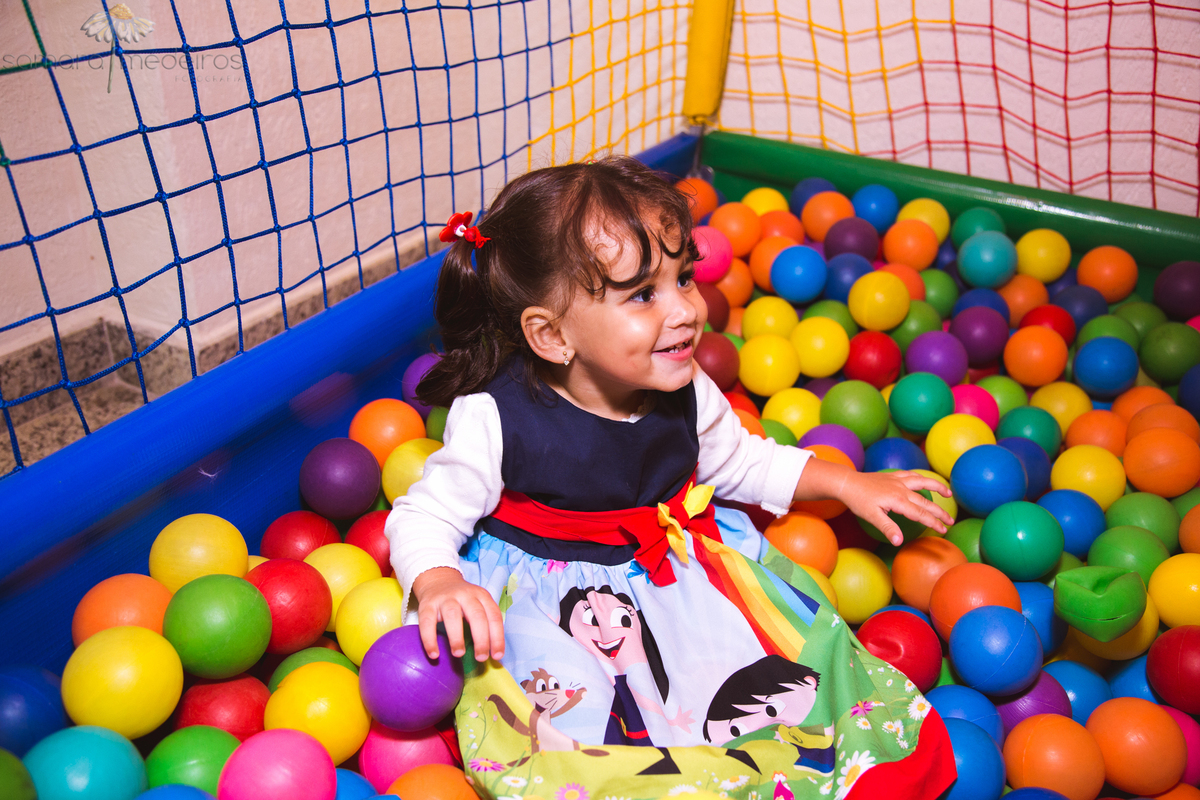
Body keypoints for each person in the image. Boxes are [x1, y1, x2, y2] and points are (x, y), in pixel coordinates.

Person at [385, 156, 957, 794]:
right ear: (551, 335)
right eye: (643, 294)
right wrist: (439, 583)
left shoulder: (685, 386)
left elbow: (740, 460)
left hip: (678, 575)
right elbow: (425, 514)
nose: (686, 309)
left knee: (783, 690)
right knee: (573, 742)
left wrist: (846, 483)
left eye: (684, 278)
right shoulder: (496, 415)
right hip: (558, 604)